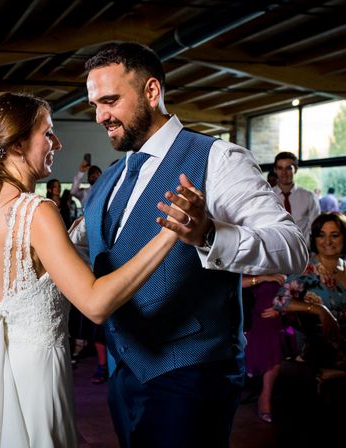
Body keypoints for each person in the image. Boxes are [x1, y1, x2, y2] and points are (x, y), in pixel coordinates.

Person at [81, 42, 308, 447]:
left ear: (152, 92)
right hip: (124, 370)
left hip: (193, 372)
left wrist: (209, 234)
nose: (101, 116)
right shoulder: (110, 178)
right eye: (95, 104)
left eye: (111, 101)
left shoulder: (219, 158)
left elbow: (292, 247)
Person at [0, 91, 190, 447]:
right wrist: (169, 234)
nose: (56, 142)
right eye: (47, 132)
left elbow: (18, 278)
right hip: (35, 370)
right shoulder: (36, 210)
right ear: (17, 144)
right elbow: (96, 304)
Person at [268, 212, 345, 368]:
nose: (327, 241)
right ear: (314, 239)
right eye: (321, 235)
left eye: (334, 235)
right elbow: (279, 301)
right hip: (320, 353)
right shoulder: (307, 269)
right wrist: (319, 310)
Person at [241, 273, 287, 424]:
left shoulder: (283, 262)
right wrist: (261, 278)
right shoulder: (241, 257)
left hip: (270, 320)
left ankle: (265, 397)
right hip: (242, 318)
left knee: (274, 337)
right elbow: (232, 283)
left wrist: (281, 309)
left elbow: (291, 290)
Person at [272, 151, 320, 245]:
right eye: (280, 168)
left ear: (296, 169)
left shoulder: (309, 197)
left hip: (303, 251)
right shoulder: (268, 196)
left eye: (288, 168)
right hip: (275, 249)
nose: (284, 173)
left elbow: (315, 228)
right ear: (275, 170)